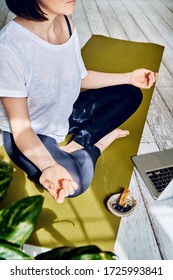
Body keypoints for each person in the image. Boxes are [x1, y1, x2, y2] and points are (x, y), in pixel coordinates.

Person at [0, 0, 157, 204]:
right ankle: (99, 143)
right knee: (75, 181)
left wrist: (128, 77)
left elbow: (79, 77)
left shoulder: (66, 23)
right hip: (30, 134)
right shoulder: (8, 48)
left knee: (131, 94)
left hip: (62, 112)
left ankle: (75, 146)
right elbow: (22, 130)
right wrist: (49, 165)